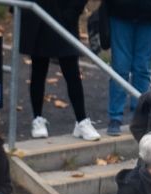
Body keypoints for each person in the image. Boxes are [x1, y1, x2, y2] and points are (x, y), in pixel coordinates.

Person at [22, 0, 101, 142]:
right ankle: (37, 119)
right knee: (38, 71)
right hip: (38, 17)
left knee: (72, 73)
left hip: (65, 19)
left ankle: (81, 121)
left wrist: (72, 12)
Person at [104, 0, 151, 137]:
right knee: (120, 68)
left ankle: (139, 114)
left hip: (150, 15)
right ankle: (115, 117)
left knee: (142, 67)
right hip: (120, 13)